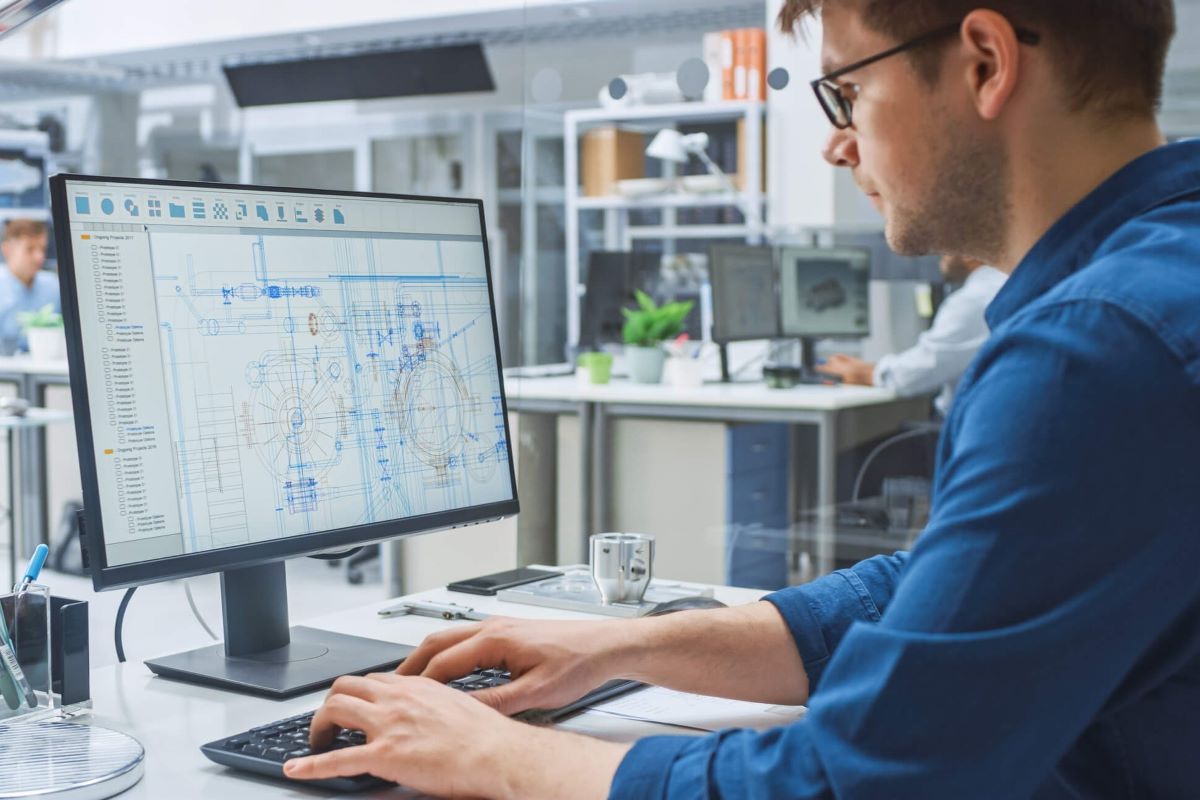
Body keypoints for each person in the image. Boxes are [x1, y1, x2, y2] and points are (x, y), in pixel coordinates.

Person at [287, 1, 1200, 797]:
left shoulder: (1097, 350)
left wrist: (495, 756)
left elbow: (861, 783)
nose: (837, 141)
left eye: (847, 90)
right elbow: (945, 592)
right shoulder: (1160, 271)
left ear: (985, 64)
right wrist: (621, 647)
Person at [818, 254, 1006, 414]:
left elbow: (924, 369)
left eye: (948, 247)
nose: (939, 254)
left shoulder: (973, 299)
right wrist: (870, 369)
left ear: (969, 254)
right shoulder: (1000, 285)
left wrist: (866, 374)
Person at [0, 219, 58, 355]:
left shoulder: (53, 286)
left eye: (42, 249)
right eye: (30, 249)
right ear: (7, 250)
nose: (39, 257)